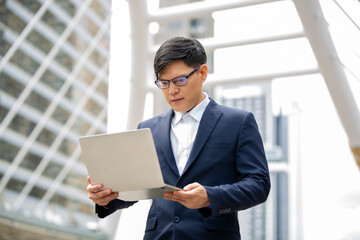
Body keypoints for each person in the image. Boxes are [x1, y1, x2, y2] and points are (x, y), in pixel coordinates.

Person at [86, 36, 271, 240]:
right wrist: (107, 198)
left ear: (202, 73)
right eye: (164, 83)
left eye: (179, 80)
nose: (172, 91)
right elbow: (139, 188)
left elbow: (258, 184)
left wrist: (209, 197)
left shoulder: (238, 122)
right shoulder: (148, 128)